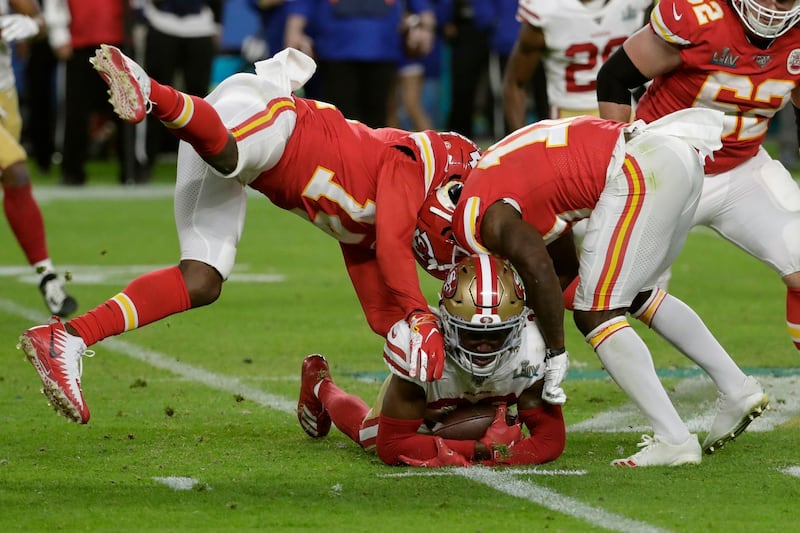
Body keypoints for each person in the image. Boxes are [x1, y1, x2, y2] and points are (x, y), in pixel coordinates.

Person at [17, 45, 481, 425]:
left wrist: (433, 354)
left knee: (203, 279)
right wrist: (421, 318)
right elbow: (398, 246)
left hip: (230, 151)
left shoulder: (369, 234)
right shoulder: (408, 162)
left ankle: (68, 338)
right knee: (233, 153)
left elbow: (383, 311)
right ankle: (152, 91)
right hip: (268, 115)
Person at [450, 109, 732, 466]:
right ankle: (737, 388)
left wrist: (555, 351)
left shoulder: (483, 224)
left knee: (596, 312)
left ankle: (673, 438)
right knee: (632, 294)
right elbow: (564, 276)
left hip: (638, 168)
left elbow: (538, 267)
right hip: (671, 157)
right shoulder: (499, 188)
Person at [596, 0, 791, 453]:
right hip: (672, 166)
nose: (777, 6)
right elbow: (615, 76)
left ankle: (717, 405)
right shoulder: (698, 16)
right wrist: (620, 158)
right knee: (615, 296)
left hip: (745, 170)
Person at [297, 254, 566, 467]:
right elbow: (391, 447)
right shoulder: (420, 349)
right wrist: (480, 450)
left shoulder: (532, 348)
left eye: (498, 334)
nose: (484, 346)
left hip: (490, 404)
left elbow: (551, 439)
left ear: (519, 326)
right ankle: (320, 384)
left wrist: (500, 457)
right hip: (428, 407)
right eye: (470, 333)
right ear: (446, 322)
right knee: (370, 436)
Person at [1, 0, 77, 317]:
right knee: (16, 169)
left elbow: (37, 18)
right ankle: (48, 276)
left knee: (11, 178)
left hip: (6, 94)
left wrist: (33, 26)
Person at [503, 0, 651, 132]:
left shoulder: (635, 4)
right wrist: (521, 142)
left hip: (624, 110)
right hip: (569, 118)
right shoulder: (548, 10)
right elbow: (515, 83)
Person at [42, 0, 139, 185]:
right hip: (79, 44)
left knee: (128, 106)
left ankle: (131, 169)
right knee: (75, 111)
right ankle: (72, 172)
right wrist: (58, 36)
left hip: (120, 41)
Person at [136, 0, 222, 182]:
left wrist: (217, 24)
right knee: (152, 97)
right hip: (161, 22)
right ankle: (145, 162)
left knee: (201, 102)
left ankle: (203, 164)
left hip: (200, 26)